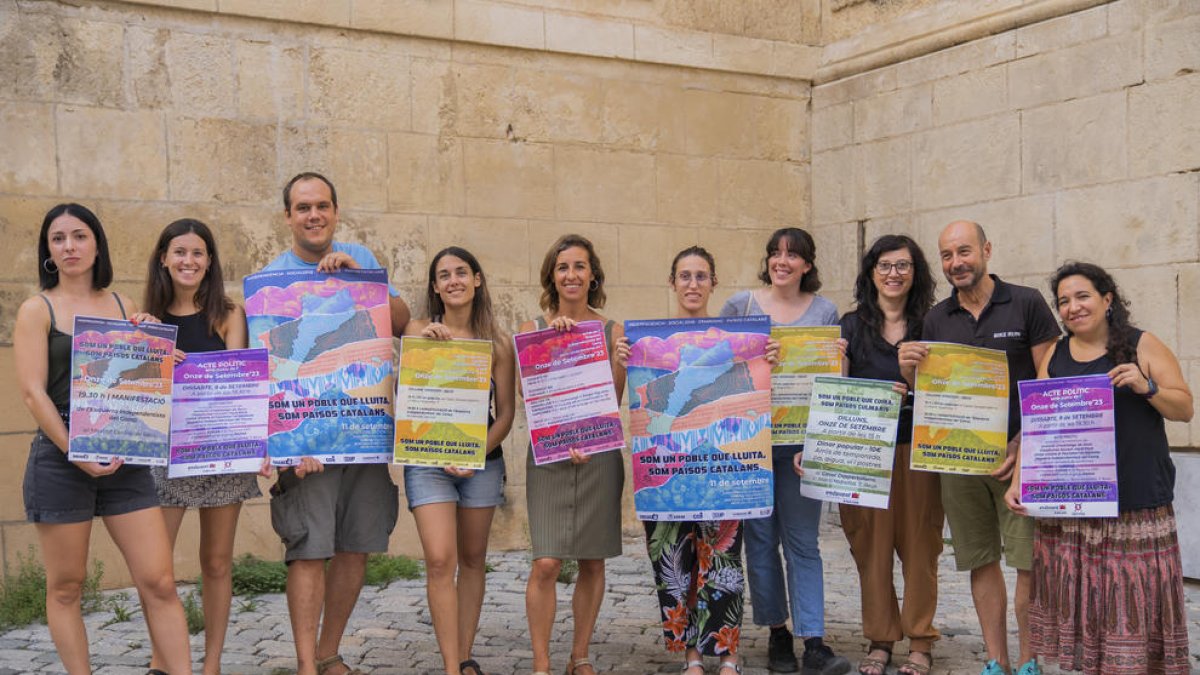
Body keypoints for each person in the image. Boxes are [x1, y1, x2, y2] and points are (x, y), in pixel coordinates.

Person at [14, 204, 193, 675]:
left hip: (125, 451)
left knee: (159, 581)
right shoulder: (38, 309)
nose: (69, 246)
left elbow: (139, 380)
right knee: (67, 587)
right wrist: (77, 451)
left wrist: (159, 353)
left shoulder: (122, 306)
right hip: (60, 455)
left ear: (96, 244)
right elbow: (33, 393)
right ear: (48, 250)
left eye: (79, 236)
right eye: (58, 238)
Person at [1004, 262, 1193, 675]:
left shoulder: (1142, 345)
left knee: (1131, 606)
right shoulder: (1055, 352)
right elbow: (1039, 426)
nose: (1073, 307)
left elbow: (1184, 407)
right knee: (1087, 609)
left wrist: (1148, 387)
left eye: (1082, 296)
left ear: (1108, 299)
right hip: (1073, 506)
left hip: (1134, 502)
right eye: (1064, 301)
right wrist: (1019, 482)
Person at [263, 172, 410, 675]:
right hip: (307, 446)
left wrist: (360, 282)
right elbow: (267, 368)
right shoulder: (272, 280)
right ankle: (306, 664)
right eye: (303, 207)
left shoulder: (361, 261)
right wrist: (281, 445)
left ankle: (329, 654)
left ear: (335, 210)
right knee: (308, 549)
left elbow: (403, 319)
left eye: (322, 205)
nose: (313, 215)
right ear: (288, 216)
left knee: (356, 546)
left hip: (364, 436)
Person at [898, 221, 1060, 675]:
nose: (956, 263)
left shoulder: (1026, 303)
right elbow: (932, 395)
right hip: (959, 461)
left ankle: (1028, 661)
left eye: (964, 251)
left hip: (1019, 459)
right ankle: (996, 660)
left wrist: (1024, 444)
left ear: (986, 249)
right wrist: (909, 373)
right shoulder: (936, 318)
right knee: (979, 558)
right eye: (947, 255)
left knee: (1028, 563)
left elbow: (1049, 378)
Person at [718, 227, 849, 675]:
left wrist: (840, 359)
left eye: (793, 255)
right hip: (750, 442)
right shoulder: (741, 306)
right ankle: (777, 633)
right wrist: (754, 358)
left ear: (807, 265)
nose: (782, 261)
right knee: (759, 543)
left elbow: (833, 382)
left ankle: (813, 640)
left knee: (803, 543)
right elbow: (719, 368)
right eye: (775, 253)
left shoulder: (825, 310)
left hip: (799, 446)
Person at [618, 246, 748, 675]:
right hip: (667, 469)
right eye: (685, 276)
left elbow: (750, 388)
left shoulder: (734, 340)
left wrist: (768, 360)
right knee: (676, 560)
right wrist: (625, 362)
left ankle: (728, 652)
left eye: (701, 276)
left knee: (724, 560)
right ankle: (692, 653)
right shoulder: (649, 343)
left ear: (714, 282)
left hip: (719, 464)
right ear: (672, 283)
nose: (693, 284)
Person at [141, 218, 261, 675]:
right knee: (156, 570)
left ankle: (210, 665)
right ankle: (162, 661)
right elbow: (133, 393)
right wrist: (147, 351)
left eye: (197, 253)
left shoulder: (230, 315)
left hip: (221, 452)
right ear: (164, 259)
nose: (188, 261)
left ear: (209, 262)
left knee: (215, 563)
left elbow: (238, 386)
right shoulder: (146, 320)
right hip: (162, 456)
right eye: (179, 252)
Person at [403, 246, 515, 675]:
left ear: (477, 279)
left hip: (481, 462)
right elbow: (404, 394)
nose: (454, 280)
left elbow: (505, 414)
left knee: (472, 559)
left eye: (461, 272)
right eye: (444, 275)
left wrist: (474, 455)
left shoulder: (498, 342)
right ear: (435, 286)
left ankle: (465, 655)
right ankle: (451, 666)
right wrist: (420, 349)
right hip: (427, 461)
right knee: (438, 559)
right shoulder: (418, 329)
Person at [836, 235, 941, 675]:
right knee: (870, 547)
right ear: (871, 273)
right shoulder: (850, 325)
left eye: (903, 265)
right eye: (884, 265)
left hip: (918, 449)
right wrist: (836, 367)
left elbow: (947, 392)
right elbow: (836, 394)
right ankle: (881, 637)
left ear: (915, 273)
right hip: (863, 452)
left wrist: (912, 383)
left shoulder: (934, 325)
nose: (893, 273)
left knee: (921, 545)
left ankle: (920, 637)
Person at [522, 234, 626, 675]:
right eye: (563, 267)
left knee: (592, 558)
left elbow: (612, 399)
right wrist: (553, 343)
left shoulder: (612, 330)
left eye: (580, 266)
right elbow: (532, 401)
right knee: (546, 561)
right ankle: (542, 661)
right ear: (552, 275)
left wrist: (617, 360)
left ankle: (578, 656)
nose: (571, 275)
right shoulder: (534, 331)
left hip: (598, 455)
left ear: (593, 275)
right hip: (549, 455)